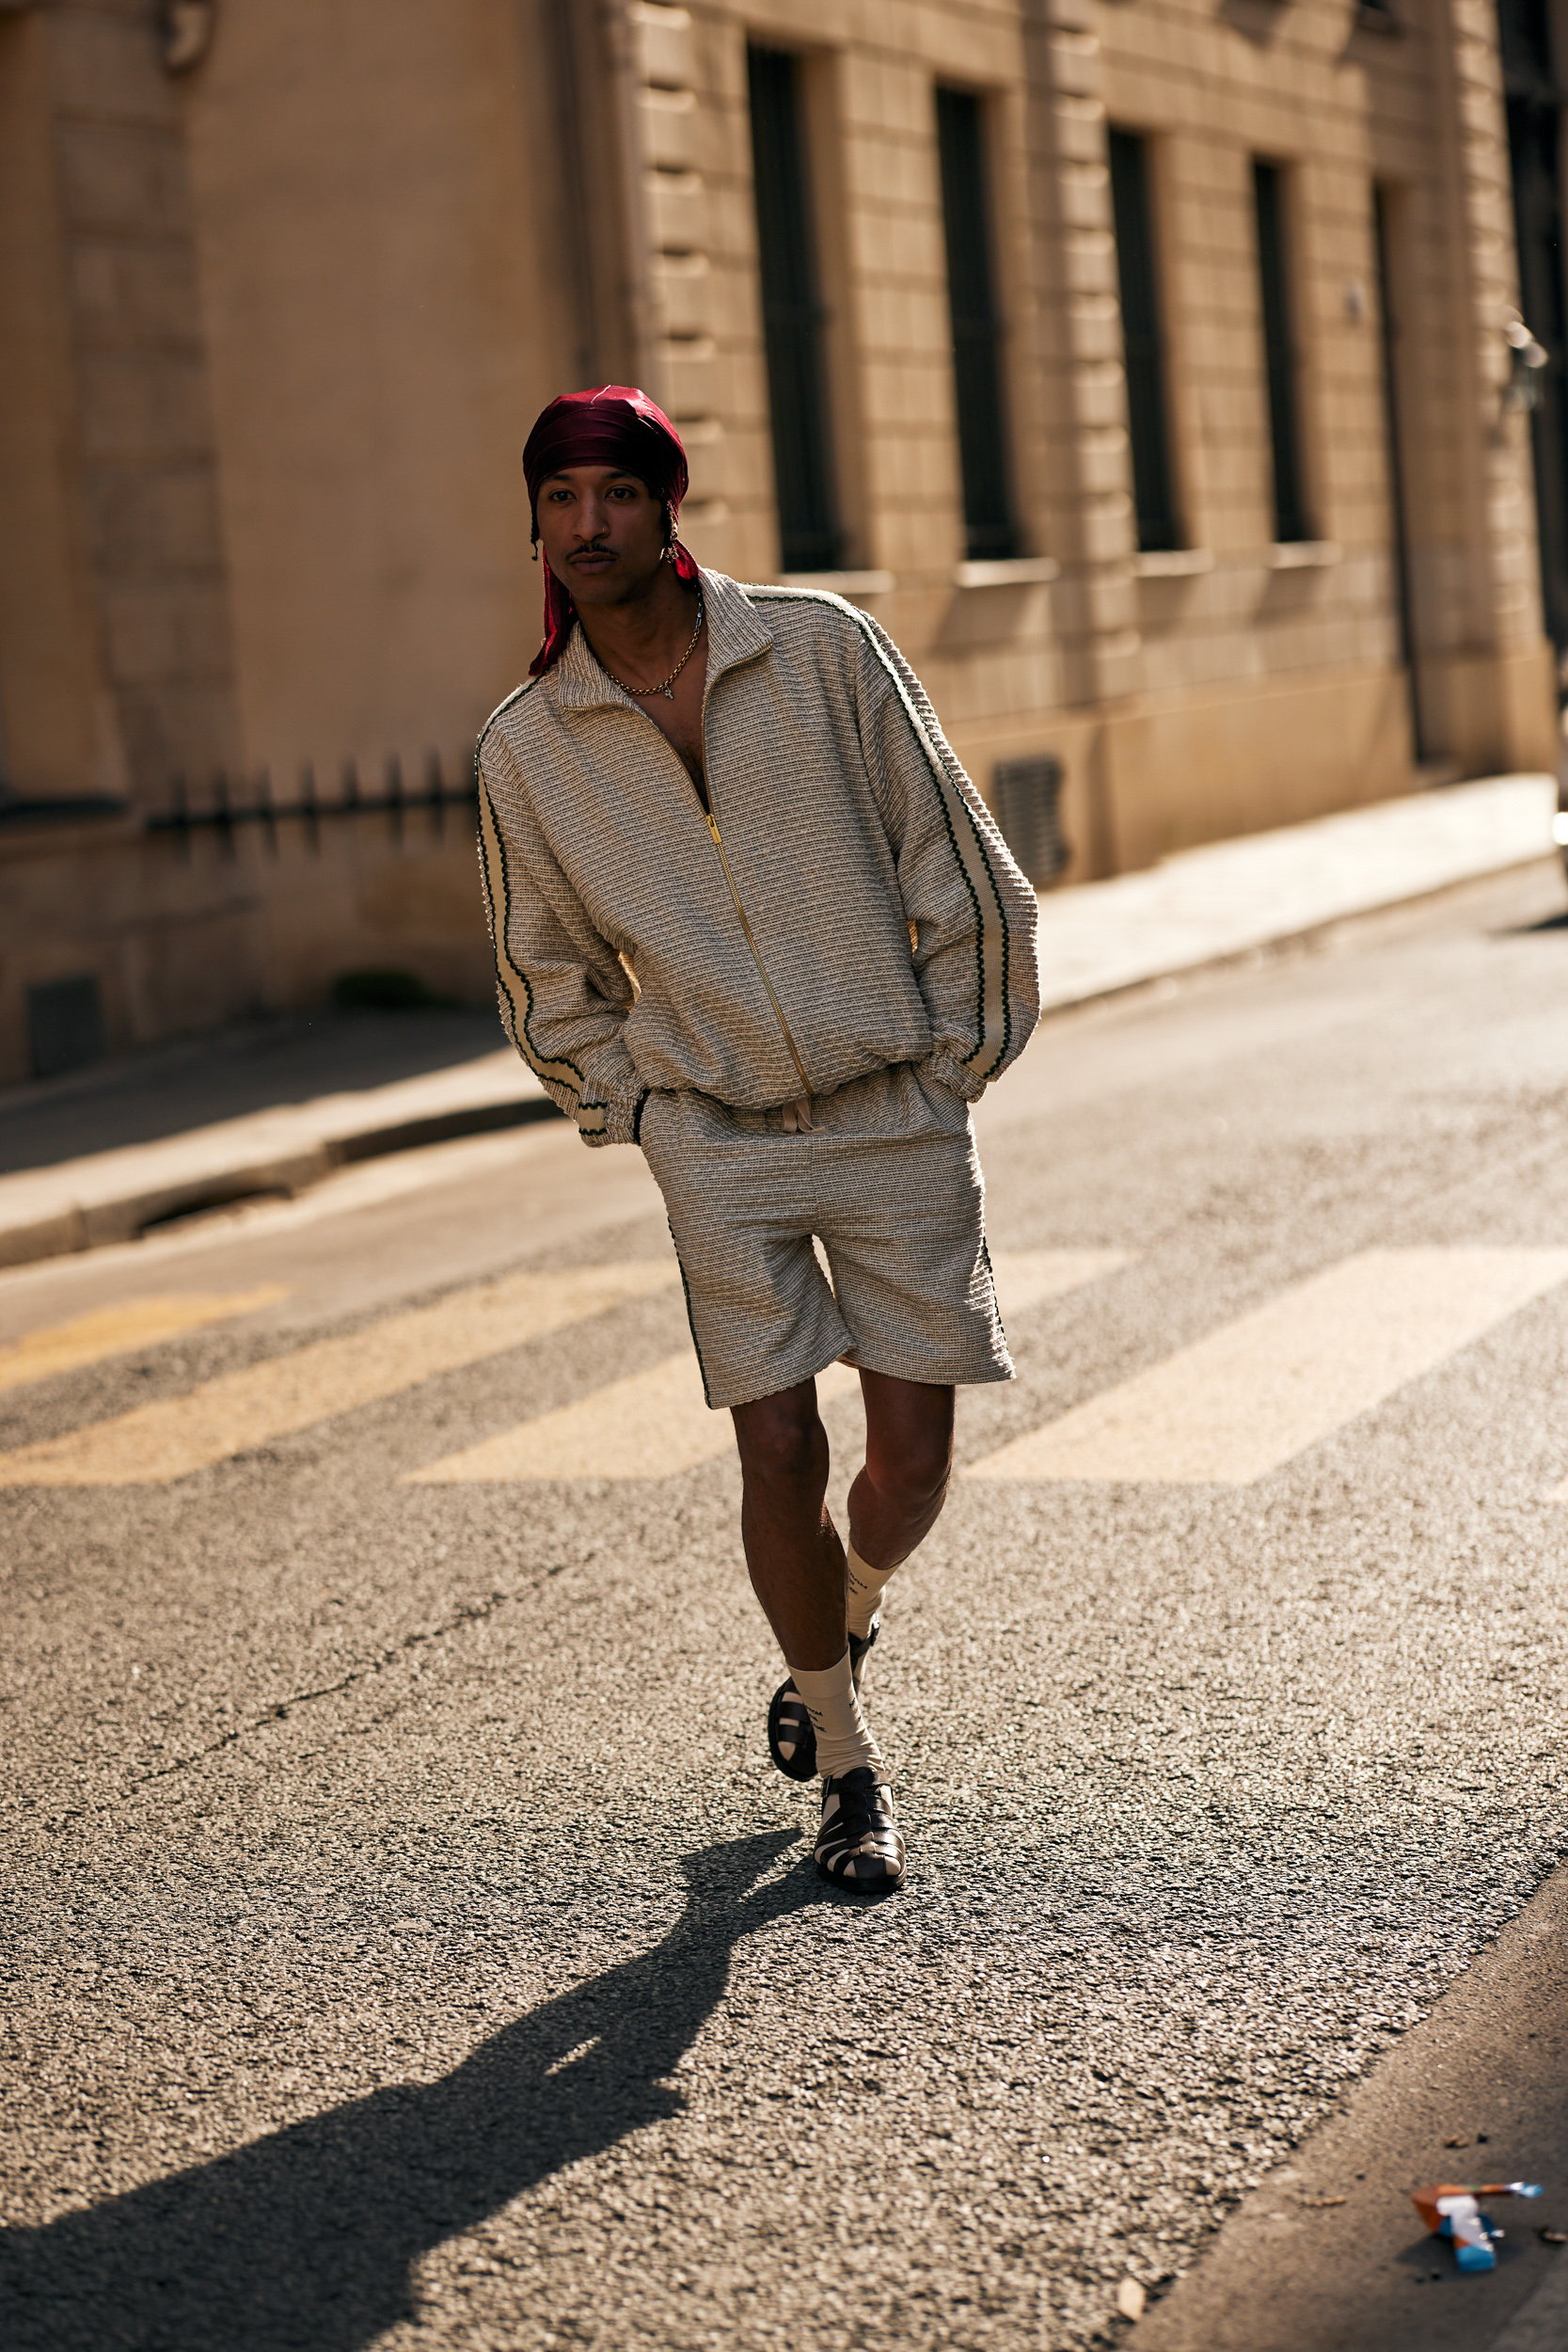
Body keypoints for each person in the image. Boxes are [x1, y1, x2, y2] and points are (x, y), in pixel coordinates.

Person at [477, 386, 1041, 1890]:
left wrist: (956, 1058)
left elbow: (955, 855)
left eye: (614, 493)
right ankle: (848, 1771)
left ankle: (841, 1619)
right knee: (776, 1440)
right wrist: (638, 1113)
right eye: (559, 500)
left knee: (909, 1466)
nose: (586, 525)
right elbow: (546, 972)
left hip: (891, 1113)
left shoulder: (821, 650)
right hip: (716, 1140)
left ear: (669, 507)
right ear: (536, 525)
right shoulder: (530, 746)